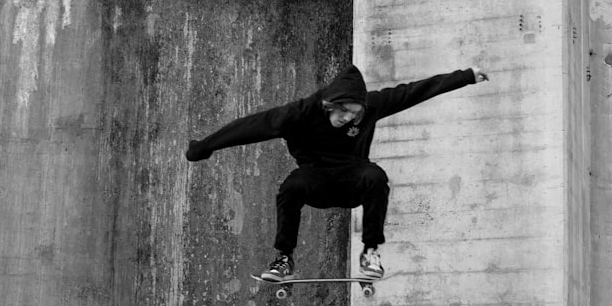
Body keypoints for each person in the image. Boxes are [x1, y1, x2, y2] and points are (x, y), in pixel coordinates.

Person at [184, 64, 489, 281]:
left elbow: (412, 92)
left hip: (353, 181)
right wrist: (205, 146)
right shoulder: (299, 113)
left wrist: (466, 77)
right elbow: (252, 126)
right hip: (316, 180)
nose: (347, 119)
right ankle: (283, 259)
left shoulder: (371, 107)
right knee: (291, 186)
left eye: (354, 115)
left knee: (376, 176)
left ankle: (370, 252)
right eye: (343, 112)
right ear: (330, 104)